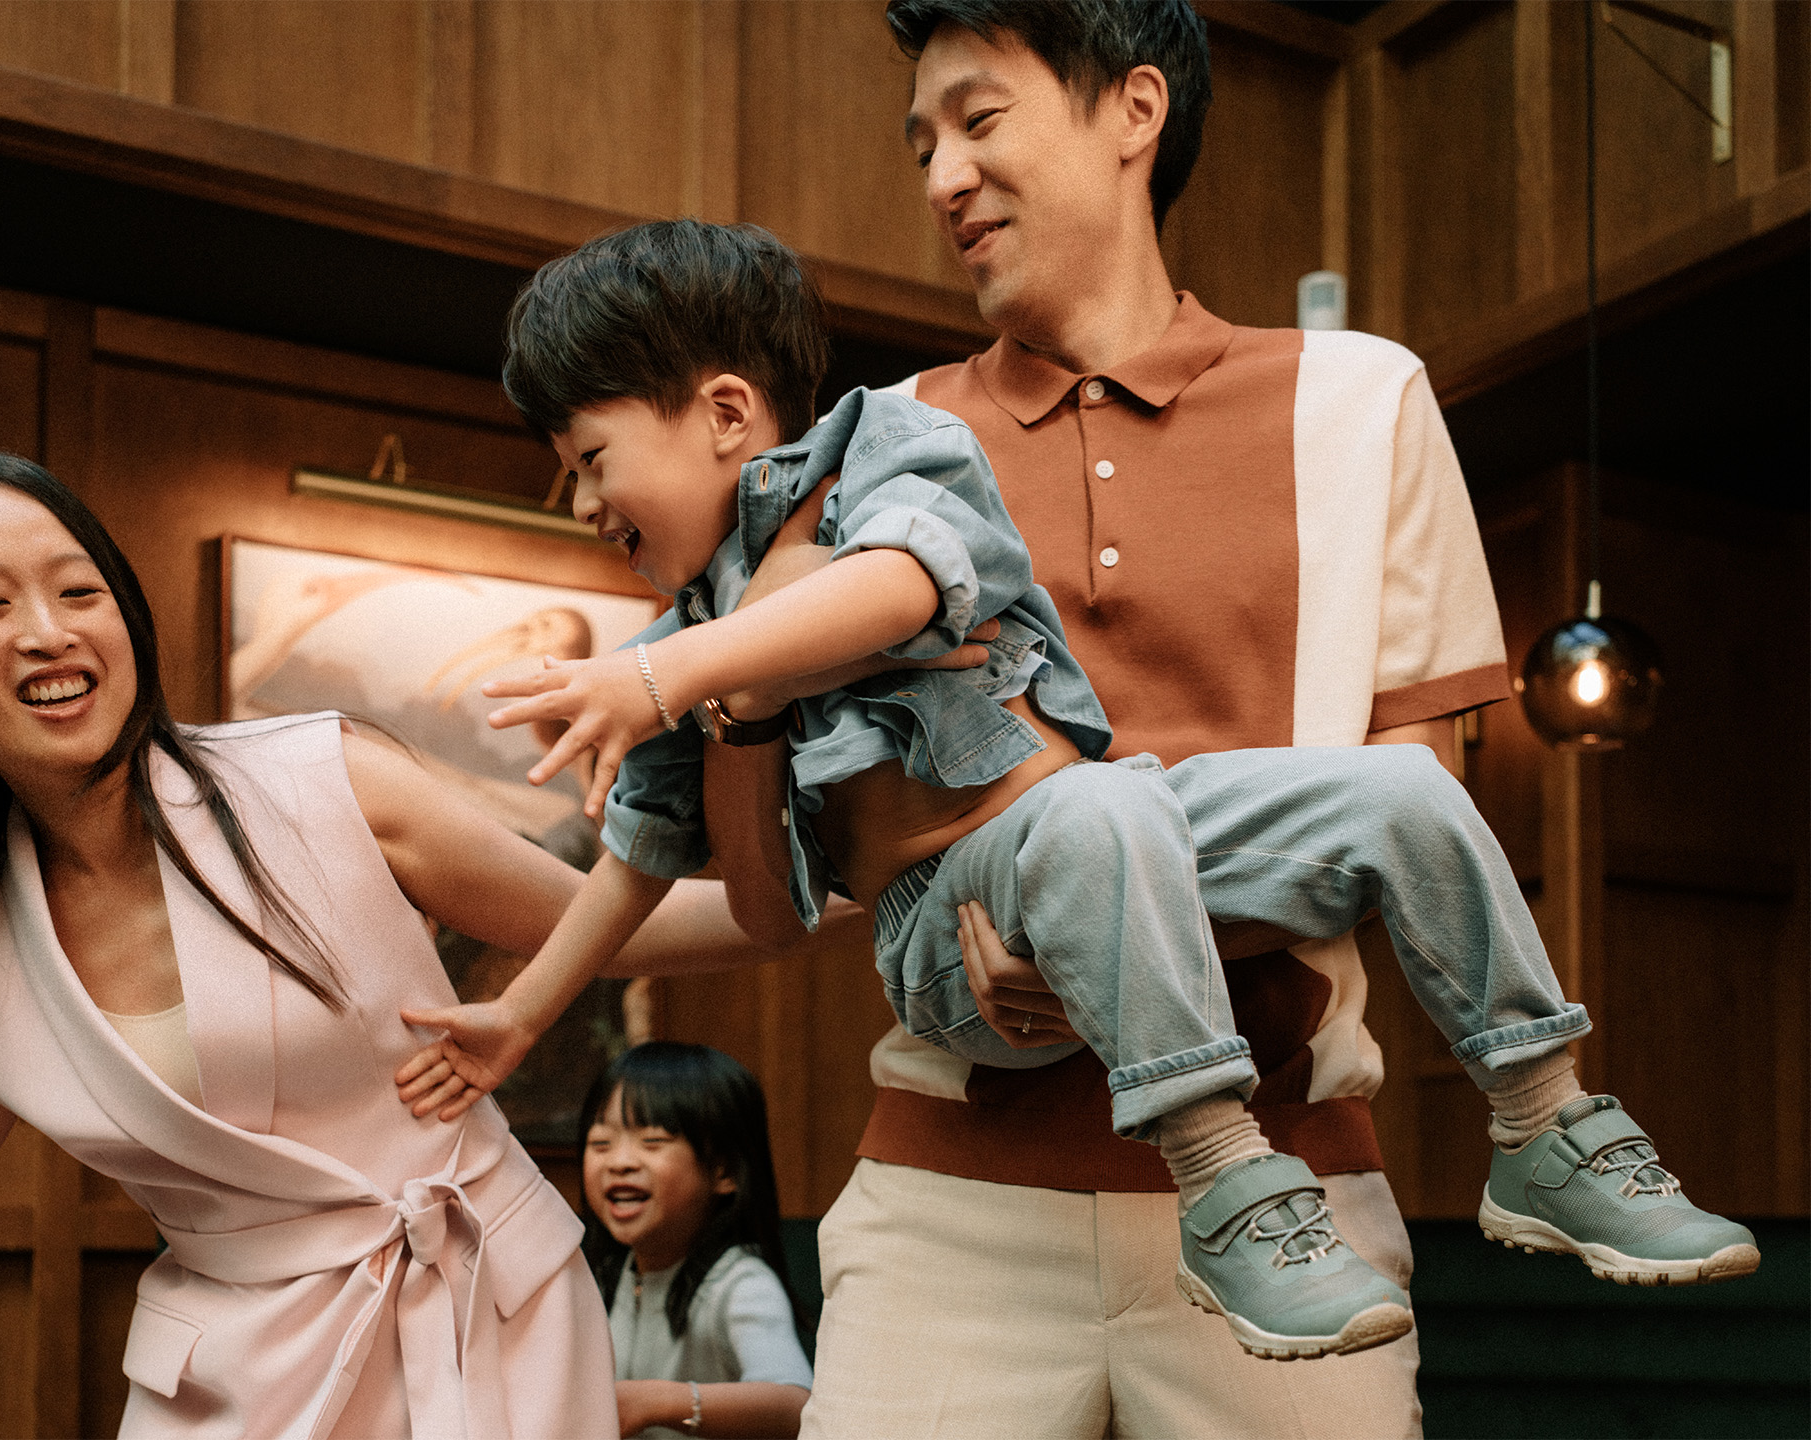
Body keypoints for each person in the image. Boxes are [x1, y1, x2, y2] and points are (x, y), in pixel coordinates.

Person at [659, 3, 1755, 1434]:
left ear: (1135, 109)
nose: (939, 178)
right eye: (921, 143)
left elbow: (1396, 819)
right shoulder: (878, 440)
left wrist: (1098, 927)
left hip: (1297, 1181)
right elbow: (825, 851)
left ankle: (1545, 1124)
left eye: (979, 121)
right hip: (955, 1202)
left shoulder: (1363, 403)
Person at [392, 217, 1753, 1366]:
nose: (581, 502)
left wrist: (676, 672)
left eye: (588, 459)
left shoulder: (887, 451)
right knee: (1093, 815)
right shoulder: (673, 660)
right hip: (948, 924)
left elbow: (910, 581)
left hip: (1113, 818)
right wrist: (520, 1011)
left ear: (727, 416)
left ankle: (1543, 1122)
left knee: (1395, 793)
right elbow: (637, 868)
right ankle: (1221, 1178)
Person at [0, 453, 776, 1437]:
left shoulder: (320, 780)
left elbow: (601, 924)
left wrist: (864, 887)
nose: (48, 632)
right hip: (231, 1384)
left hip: (489, 1327)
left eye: (77, 590)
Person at [580, 1042, 812, 1439]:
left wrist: (656, 1403)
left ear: (723, 1170)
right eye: (601, 1143)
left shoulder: (740, 1284)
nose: (619, 1161)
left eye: (652, 1142)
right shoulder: (600, 1275)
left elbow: (796, 1405)